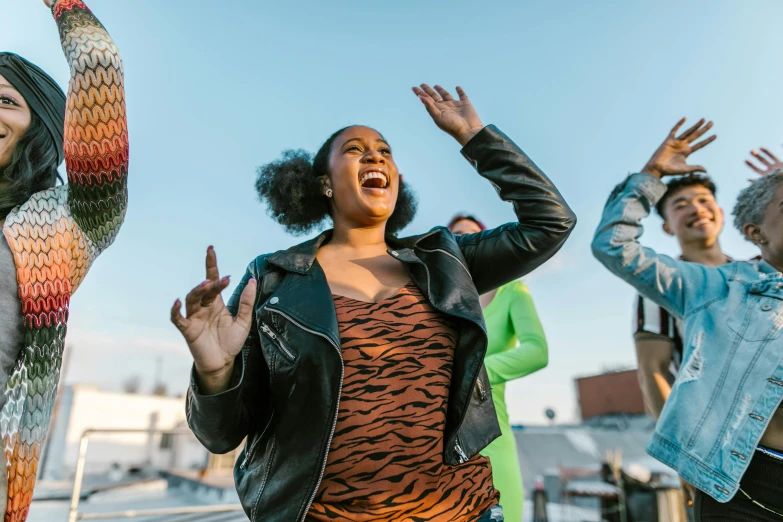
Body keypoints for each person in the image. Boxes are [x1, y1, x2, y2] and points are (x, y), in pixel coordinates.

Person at [173, 84, 576, 522]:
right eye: (355, 149)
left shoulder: (443, 259)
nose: (376, 156)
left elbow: (550, 222)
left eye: (385, 150)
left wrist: (475, 135)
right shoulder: (273, 277)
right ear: (324, 184)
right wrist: (215, 374)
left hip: (464, 512)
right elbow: (222, 435)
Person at [592, 118, 783, 521]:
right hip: (731, 459)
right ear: (665, 224)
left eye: (703, 200)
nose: (696, 210)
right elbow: (653, 374)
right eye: (681, 204)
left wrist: (774, 189)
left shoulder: (758, 273)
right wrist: (686, 459)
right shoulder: (689, 286)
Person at [0, 0, 127, 519]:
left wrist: (64, 4)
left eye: (5, 100)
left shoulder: (64, 224)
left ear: (42, 130)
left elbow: (99, 65)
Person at [449, 214, 548, 522]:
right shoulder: (438, 300)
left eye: (471, 235)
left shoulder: (512, 291)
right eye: (454, 237)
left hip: (492, 443)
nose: (463, 242)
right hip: (436, 451)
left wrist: (474, 372)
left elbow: (537, 351)